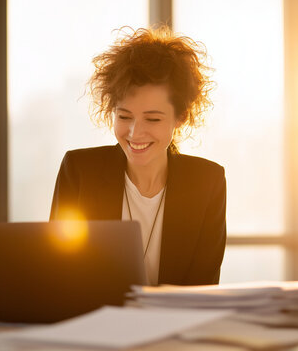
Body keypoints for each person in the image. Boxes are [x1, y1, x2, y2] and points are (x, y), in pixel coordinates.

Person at [50, 26, 226, 286]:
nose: (135, 133)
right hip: (95, 324)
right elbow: (58, 274)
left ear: (180, 117)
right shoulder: (79, 170)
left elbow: (201, 291)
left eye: (152, 119)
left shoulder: (207, 181)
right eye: (124, 116)